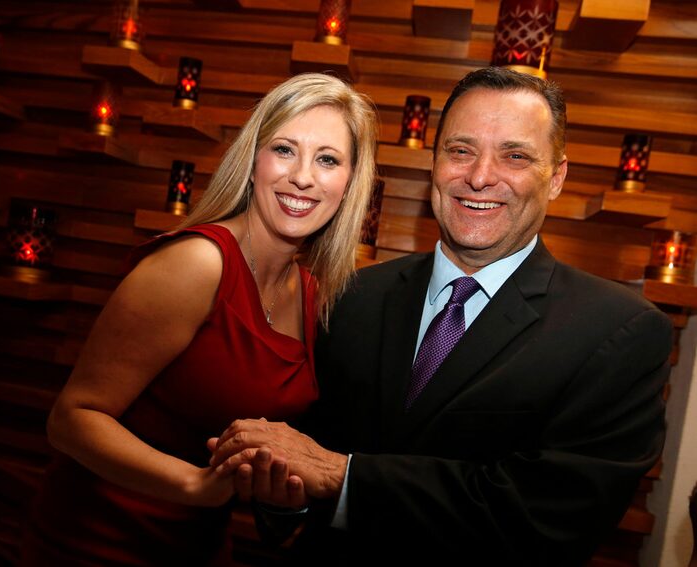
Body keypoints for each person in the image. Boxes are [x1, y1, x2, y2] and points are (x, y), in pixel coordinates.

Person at [209, 67, 673, 565]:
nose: (479, 176)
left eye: (515, 156)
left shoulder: (620, 331)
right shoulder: (349, 297)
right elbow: (302, 464)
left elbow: (551, 517)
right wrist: (288, 502)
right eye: (461, 150)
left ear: (555, 177)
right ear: (434, 162)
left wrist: (345, 478)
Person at [19, 72, 378, 566]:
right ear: (253, 162)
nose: (303, 177)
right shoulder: (199, 263)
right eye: (284, 150)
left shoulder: (312, 293)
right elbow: (72, 419)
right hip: (100, 542)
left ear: (350, 182)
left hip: (199, 545)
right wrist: (196, 485)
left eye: (328, 159)